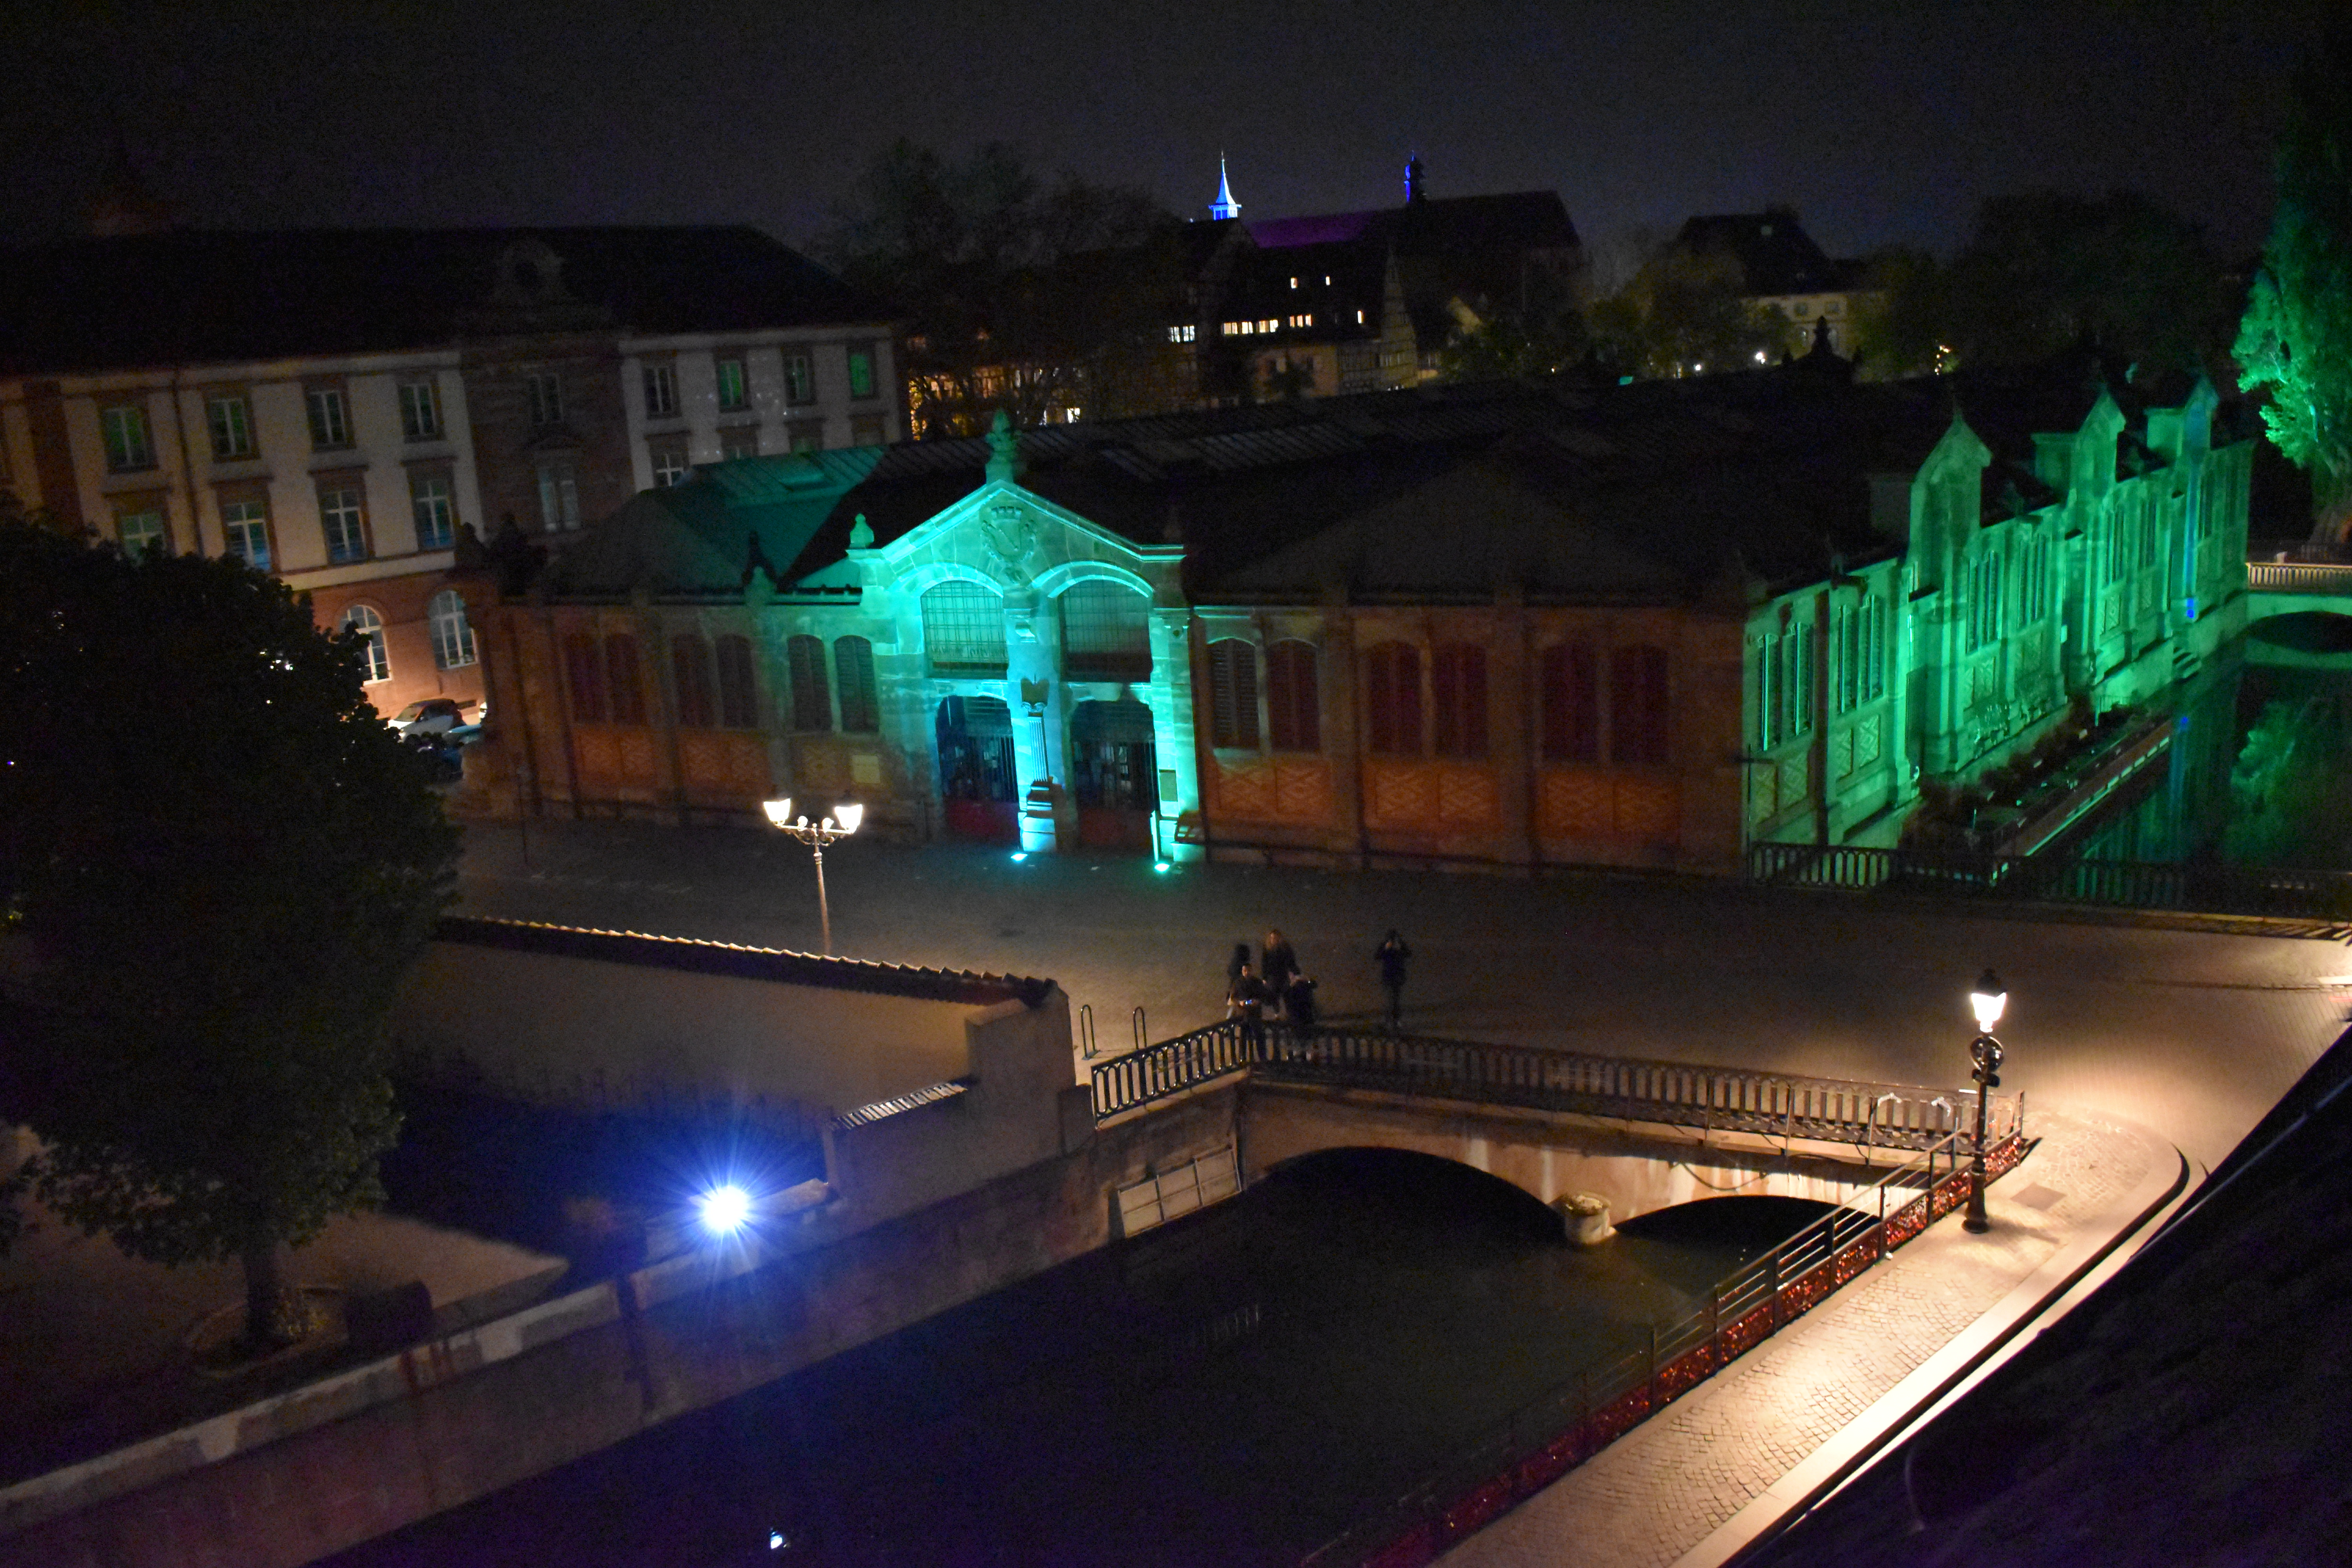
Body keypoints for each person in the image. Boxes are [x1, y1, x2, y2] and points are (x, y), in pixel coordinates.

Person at [1227, 961, 1272, 1050]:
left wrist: (1258, 1001)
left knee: (1259, 1036)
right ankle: (1243, 1057)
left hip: (1255, 1013)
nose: (1247, 973)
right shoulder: (1238, 983)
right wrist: (1240, 1002)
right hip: (1243, 1014)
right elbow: (1233, 998)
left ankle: (1262, 1057)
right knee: (1243, 1037)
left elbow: (1265, 996)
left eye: (1249, 970)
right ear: (1242, 971)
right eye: (1245, 971)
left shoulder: (1258, 982)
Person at [1374, 930, 1411, 1029]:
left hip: (1397, 976)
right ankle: (1388, 1021)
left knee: (1396, 1001)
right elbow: (1377, 956)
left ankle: (1396, 1020)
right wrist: (1386, 949)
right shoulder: (1385, 946)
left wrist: (1400, 949)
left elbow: (1409, 954)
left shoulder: (1401, 945)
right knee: (1389, 1000)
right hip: (1389, 976)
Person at [1261, 928, 1300, 1014]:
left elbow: (1291, 961)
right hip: (1272, 976)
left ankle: (1289, 1014)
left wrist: (1294, 973)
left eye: (1275, 938)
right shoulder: (1267, 948)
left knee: (1287, 995)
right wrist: (1264, 977)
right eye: (1272, 938)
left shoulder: (1285, 948)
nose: (1273, 940)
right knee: (1275, 996)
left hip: (1284, 975)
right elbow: (1264, 963)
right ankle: (1277, 1014)